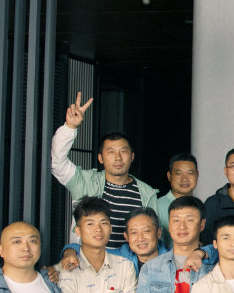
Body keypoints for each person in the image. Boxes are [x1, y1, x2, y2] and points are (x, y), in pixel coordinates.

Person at [50, 93, 157, 248]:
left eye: (123, 151)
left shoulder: (147, 193)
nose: (118, 158)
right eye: (111, 152)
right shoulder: (85, 181)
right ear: (100, 158)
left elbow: (154, 235)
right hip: (90, 260)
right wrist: (70, 127)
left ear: (132, 156)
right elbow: (57, 162)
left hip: (131, 262)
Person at [154, 153, 202, 238]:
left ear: (197, 175)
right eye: (179, 173)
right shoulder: (156, 207)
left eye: (190, 173)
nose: (185, 179)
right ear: (169, 176)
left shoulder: (200, 207)